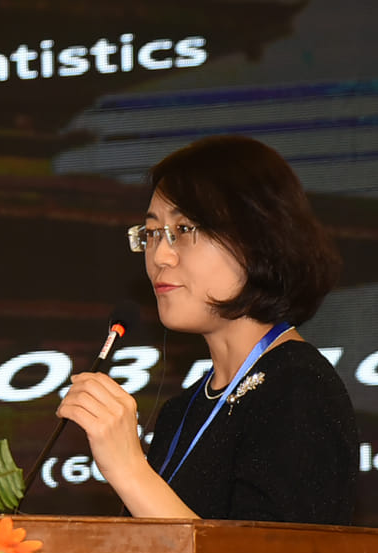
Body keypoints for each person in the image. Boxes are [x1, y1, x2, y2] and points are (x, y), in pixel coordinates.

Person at [56, 135, 357, 524]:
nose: (160, 256)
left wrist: (129, 469)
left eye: (183, 230)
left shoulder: (300, 389)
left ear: (257, 239)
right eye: (152, 233)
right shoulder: (181, 412)